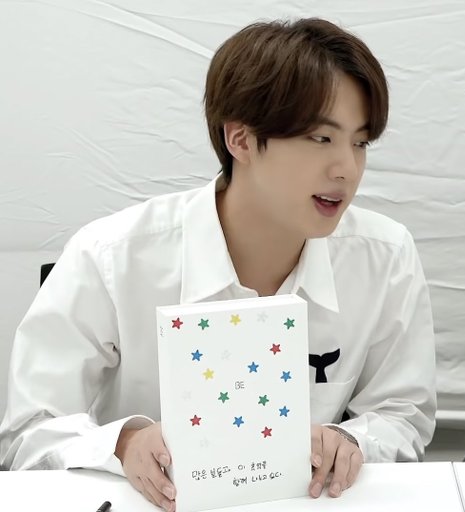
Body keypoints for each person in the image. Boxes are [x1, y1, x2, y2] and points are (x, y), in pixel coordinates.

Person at [0, 17, 436, 511]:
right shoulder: (111, 257)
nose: (348, 170)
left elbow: (403, 414)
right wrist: (123, 445)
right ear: (241, 140)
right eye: (321, 139)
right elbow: (29, 429)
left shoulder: (384, 257)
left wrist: (349, 441)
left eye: (360, 142)